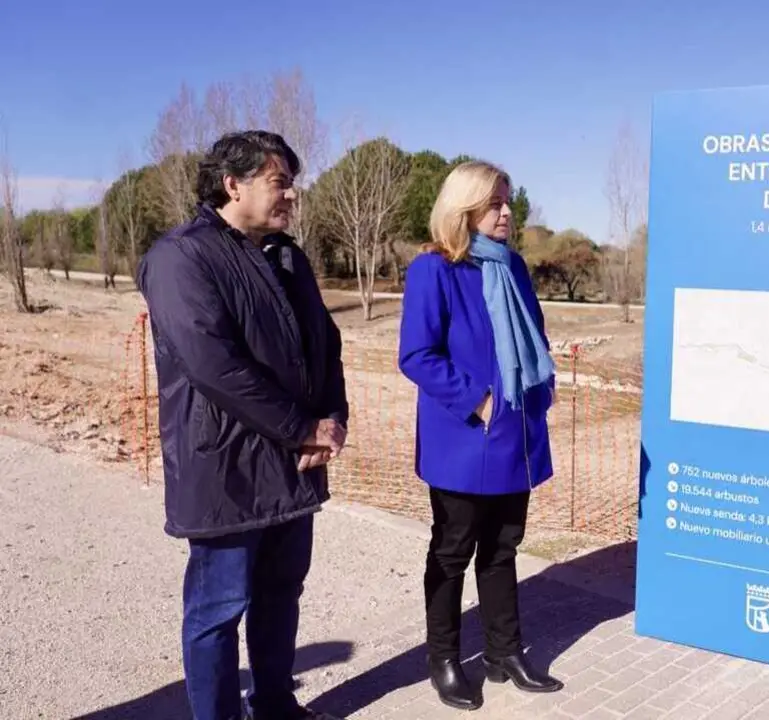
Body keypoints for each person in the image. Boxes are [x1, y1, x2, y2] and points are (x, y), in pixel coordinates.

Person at [136, 130, 348, 720]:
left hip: (293, 464)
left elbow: (325, 345)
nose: (292, 196)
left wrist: (331, 418)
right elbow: (214, 365)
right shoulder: (181, 257)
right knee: (218, 610)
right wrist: (300, 427)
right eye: (280, 182)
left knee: (282, 595)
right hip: (224, 470)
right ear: (233, 184)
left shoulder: (288, 257)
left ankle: (277, 705)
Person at [398, 159, 563, 711]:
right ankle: (443, 659)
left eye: (508, 201)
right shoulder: (434, 269)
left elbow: (530, 335)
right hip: (464, 437)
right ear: (464, 209)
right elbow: (417, 355)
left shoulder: (514, 268)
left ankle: (504, 654)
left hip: (515, 433)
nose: (507, 211)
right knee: (452, 552)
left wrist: (537, 381)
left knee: (502, 549)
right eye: (495, 203)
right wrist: (479, 398)